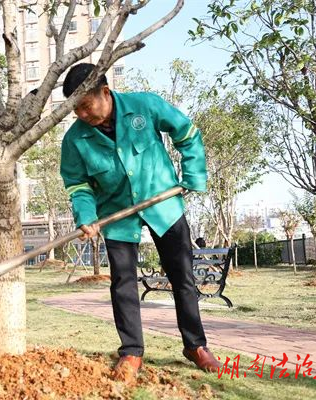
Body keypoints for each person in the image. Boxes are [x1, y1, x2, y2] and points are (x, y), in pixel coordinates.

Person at [59, 63, 221, 376]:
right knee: (122, 283)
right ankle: (132, 352)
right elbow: (78, 185)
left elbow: (186, 132)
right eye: (74, 109)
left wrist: (193, 175)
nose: (81, 115)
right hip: (117, 215)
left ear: (105, 92)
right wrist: (87, 217)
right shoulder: (74, 141)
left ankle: (195, 345)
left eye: (85, 106)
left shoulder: (144, 106)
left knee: (182, 277)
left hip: (163, 204)